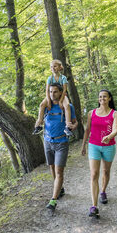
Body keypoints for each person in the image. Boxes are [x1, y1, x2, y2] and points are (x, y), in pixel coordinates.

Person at [81, 89, 117, 218]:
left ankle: (103, 191)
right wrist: (83, 146)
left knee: (106, 172)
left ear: (109, 98)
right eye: (100, 97)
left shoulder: (114, 114)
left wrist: (109, 136)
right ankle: (94, 206)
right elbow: (87, 130)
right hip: (94, 145)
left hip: (109, 147)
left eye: (104, 97)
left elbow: (115, 130)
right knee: (94, 174)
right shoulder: (92, 113)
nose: (102, 99)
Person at [44, 83, 78, 212]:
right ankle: (60, 188)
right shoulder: (47, 106)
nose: (53, 94)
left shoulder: (67, 106)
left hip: (61, 142)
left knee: (59, 171)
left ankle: (53, 200)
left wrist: (73, 126)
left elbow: (75, 122)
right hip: (47, 141)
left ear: (61, 93)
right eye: (51, 92)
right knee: (52, 167)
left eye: (55, 92)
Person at [33, 59, 73, 136]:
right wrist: (48, 101)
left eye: (55, 66)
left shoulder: (63, 78)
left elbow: (64, 90)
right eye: (51, 67)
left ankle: (68, 126)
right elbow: (47, 90)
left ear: (59, 67)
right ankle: (39, 124)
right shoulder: (50, 78)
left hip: (62, 95)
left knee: (67, 105)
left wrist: (61, 101)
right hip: (51, 95)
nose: (53, 68)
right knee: (42, 105)